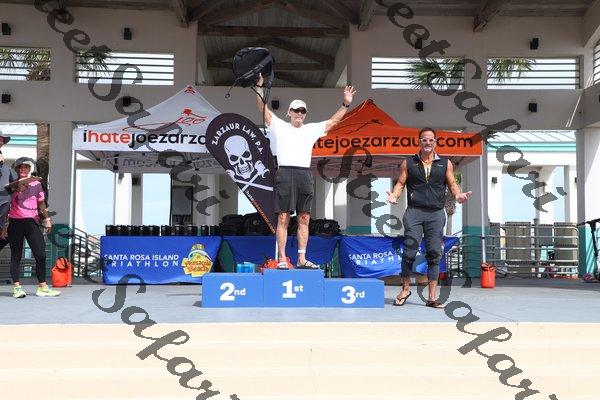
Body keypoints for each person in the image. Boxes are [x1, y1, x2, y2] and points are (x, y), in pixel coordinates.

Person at [255, 73, 356, 268]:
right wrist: (260, 88)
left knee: (304, 218)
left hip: (304, 174)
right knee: (283, 217)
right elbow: (263, 109)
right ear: (289, 112)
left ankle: (301, 259)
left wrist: (345, 104)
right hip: (285, 173)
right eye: (296, 110)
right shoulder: (279, 126)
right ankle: (282, 259)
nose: (299, 113)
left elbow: (333, 122)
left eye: (302, 111)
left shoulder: (311, 129)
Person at [386, 128, 471, 308]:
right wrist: (394, 195)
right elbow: (400, 183)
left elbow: (452, 183)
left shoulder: (445, 163)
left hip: (436, 214)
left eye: (431, 140)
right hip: (414, 212)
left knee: (434, 254)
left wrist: (458, 195)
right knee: (409, 252)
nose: (427, 143)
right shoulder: (408, 162)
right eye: (424, 140)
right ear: (419, 141)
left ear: (435, 142)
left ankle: (432, 297)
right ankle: (405, 290)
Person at [1, 157, 59, 298]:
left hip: (32, 222)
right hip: (15, 223)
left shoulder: (36, 184)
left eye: (25, 167)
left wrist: (47, 219)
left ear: (29, 169)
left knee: (41, 254)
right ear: (17, 170)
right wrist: (4, 226)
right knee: (16, 255)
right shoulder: (11, 186)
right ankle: (17, 288)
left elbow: (41, 203)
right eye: (20, 167)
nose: (23, 169)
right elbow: (5, 205)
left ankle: (42, 287)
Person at [0, 130, 16, 251]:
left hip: (3, 212)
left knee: (8, 236)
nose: (1, 142)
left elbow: (12, 186)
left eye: (2, 140)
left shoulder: (5, 166)